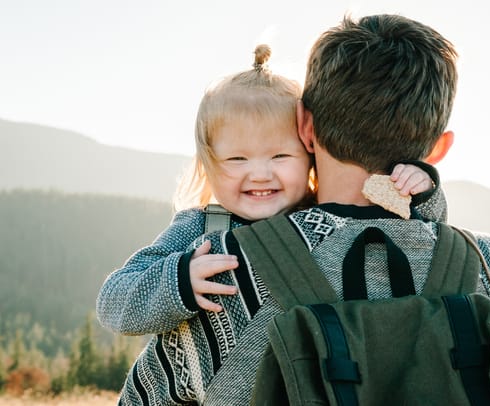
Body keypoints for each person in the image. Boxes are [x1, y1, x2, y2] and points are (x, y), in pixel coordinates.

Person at [96, 43, 444, 404]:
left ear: (309, 147)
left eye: (280, 155)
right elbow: (114, 300)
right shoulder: (201, 228)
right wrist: (180, 280)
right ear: (209, 163)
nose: (260, 174)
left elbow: (422, 237)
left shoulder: (325, 216)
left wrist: (420, 189)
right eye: (237, 158)